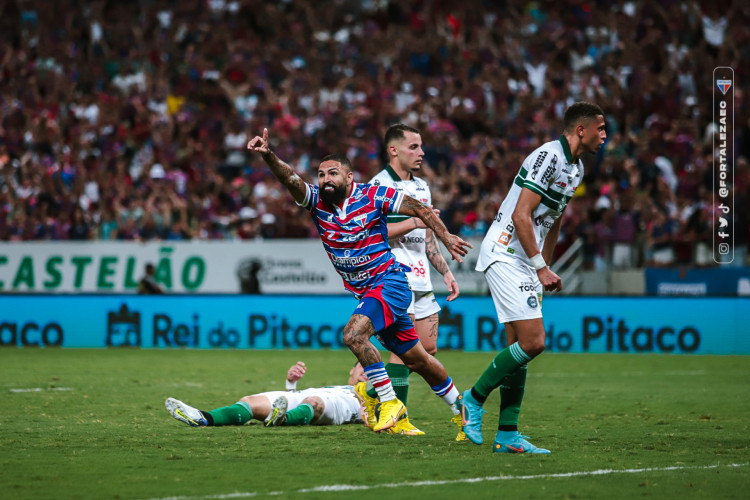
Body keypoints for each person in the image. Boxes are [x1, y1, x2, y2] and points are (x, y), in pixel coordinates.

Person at [247, 128, 471, 437]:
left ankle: (389, 402)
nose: (325, 179)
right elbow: (290, 179)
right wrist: (269, 155)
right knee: (418, 359)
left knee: (353, 335)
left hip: (390, 282)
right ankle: (464, 410)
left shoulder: (373, 194)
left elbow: (419, 209)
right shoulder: (316, 202)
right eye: (321, 174)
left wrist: (445, 236)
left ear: (349, 178)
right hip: (367, 291)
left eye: (333, 173)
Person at [462, 102, 606, 454]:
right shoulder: (548, 156)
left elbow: (553, 219)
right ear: (581, 130)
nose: (605, 136)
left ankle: (507, 435)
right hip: (506, 253)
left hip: (527, 259)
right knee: (534, 341)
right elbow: (521, 214)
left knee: (518, 348)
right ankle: (472, 399)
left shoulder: (577, 169)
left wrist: (546, 265)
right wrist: (539, 266)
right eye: (600, 129)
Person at [366, 124, 462, 438]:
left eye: (421, 146)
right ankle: (398, 419)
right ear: (393, 150)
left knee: (428, 348)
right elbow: (372, 234)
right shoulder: (377, 187)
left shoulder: (421, 186)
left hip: (423, 277)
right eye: (414, 147)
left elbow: (428, 237)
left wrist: (445, 271)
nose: (421, 153)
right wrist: (415, 219)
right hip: (394, 278)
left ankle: (372, 394)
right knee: (403, 351)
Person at [165, 361, 366, 428]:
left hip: (342, 407)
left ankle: (282, 420)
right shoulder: (335, 385)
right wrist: (291, 383)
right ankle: (203, 418)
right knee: (250, 402)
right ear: (352, 370)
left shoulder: (372, 394)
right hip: (304, 396)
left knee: (313, 402)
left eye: (371, 370)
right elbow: (290, 400)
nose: (366, 372)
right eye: (362, 366)